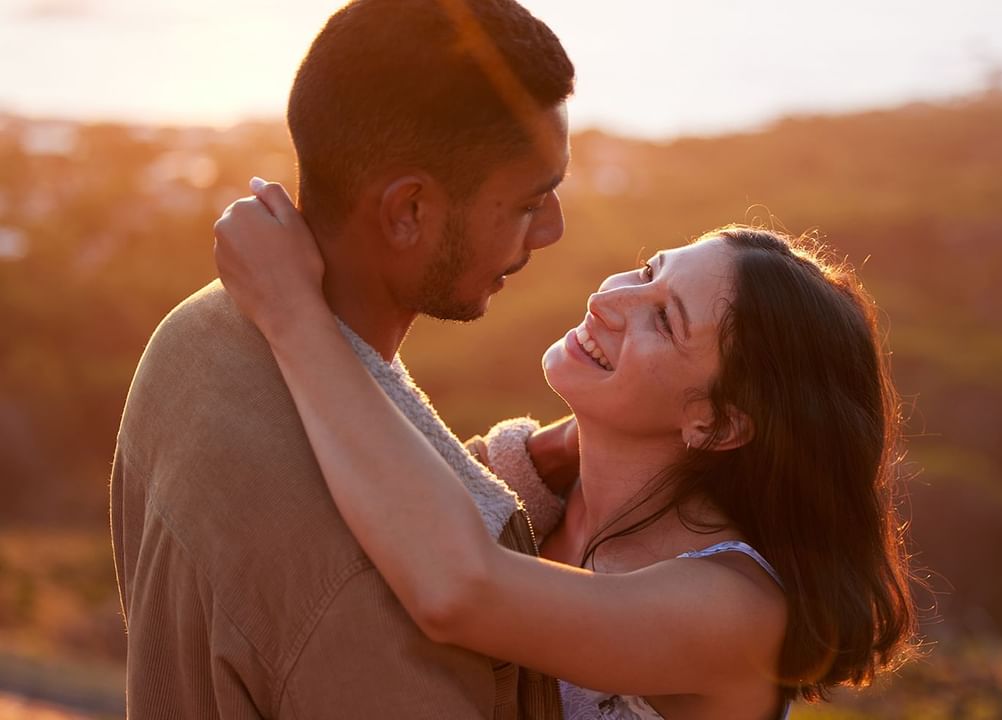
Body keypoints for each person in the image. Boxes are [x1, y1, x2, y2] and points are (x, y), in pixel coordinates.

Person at [212, 179, 919, 719]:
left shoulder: (734, 608)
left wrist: (292, 311)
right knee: (204, 346)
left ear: (716, 423)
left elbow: (456, 589)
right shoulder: (555, 498)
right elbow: (398, 514)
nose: (610, 301)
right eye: (647, 272)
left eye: (664, 321)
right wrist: (540, 457)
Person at [110, 1, 577, 717]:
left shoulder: (194, 337)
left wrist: (516, 472)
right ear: (407, 211)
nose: (552, 230)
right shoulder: (380, 588)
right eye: (527, 203)